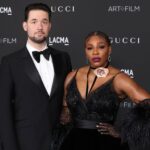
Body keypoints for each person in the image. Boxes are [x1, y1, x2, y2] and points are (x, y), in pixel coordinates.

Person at [59, 31, 150, 150]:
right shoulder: (72, 76)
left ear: (109, 49)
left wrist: (123, 131)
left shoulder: (119, 78)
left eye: (101, 47)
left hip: (105, 143)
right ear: (85, 51)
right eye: (90, 48)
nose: (95, 52)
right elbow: (65, 111)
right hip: (73, 142)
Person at [0, 3, 72, 150]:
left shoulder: (63, 58)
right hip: (26, 143)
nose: (40, 26)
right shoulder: (10, 62)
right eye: (34, 21)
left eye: (44, 21)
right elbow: (4, 111)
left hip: (60, 142)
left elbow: (69, 98)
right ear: (25, 25)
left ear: (50, 25)